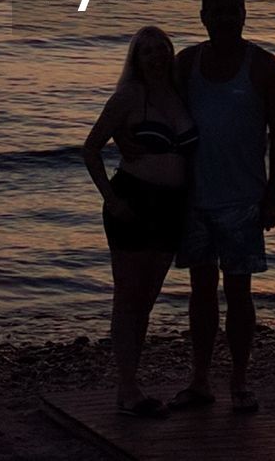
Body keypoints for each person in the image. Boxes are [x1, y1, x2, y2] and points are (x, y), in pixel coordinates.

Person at [168, 0, 275, 415]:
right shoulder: (185, 64)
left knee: (239, 292)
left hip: (243, 199)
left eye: (231, 10)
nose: (223, 18)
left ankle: (239, 380)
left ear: (244, 13)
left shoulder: (264, 67)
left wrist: (274, 193)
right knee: (200, 291)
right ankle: (200, 379)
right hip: (194, 199)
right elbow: (159, 120)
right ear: (202, 16)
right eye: (215, 11)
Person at [81, 25, 197, 418]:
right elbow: (91, 148)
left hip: (171, 206)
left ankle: (131, 385)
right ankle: (127, 388)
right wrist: (111, 200)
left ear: (170, 53)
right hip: (133, 202)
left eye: (161, 49)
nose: (155, 56)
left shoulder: (181, 95)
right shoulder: (130, 96)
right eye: (146, 51)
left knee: (145, 301)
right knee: (128, 298)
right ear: (136, 59)